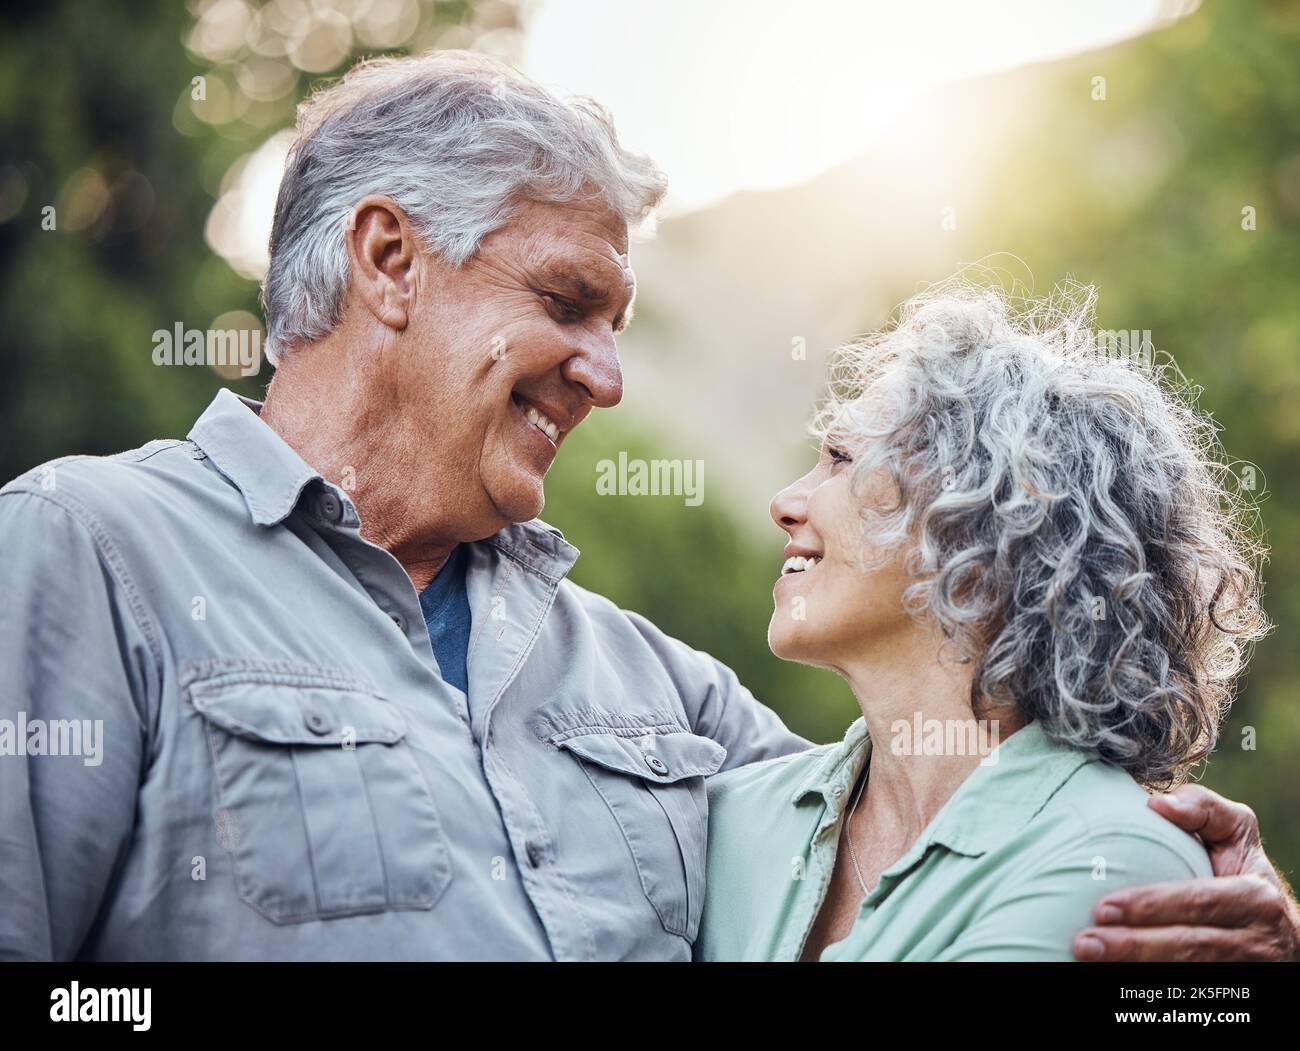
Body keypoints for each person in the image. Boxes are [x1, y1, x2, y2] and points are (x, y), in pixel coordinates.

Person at [0, 51, 1294, 962]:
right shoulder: (84, 553)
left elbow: (941, 834)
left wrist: (1230, 923)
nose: (609, 379)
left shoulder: (655, 691)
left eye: (618, 326)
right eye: (565, 304)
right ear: (387, 260)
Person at [695, 284, 1297, 961]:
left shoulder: (1114, 860)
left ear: (984, 535)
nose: (785, 501)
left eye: (840, 458)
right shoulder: (727, 817)